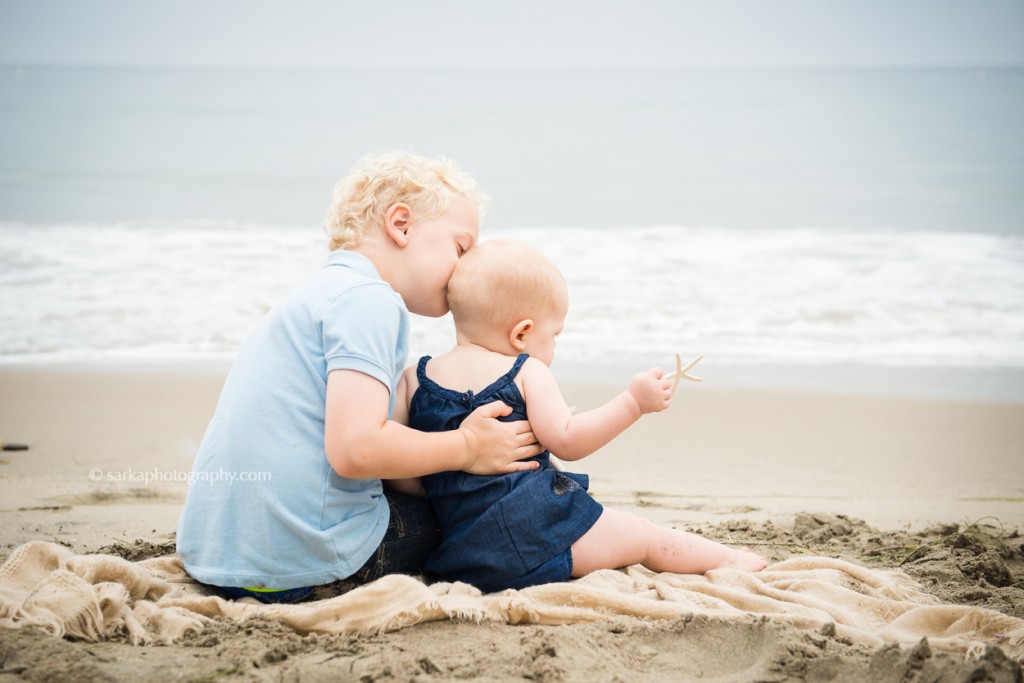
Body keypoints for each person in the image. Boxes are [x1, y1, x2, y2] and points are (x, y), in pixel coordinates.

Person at [176, 152, 543, 604]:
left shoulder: (316, 294)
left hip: (221, 557)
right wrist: (469, 448)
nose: (464, 268)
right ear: (402, 225)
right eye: (461, 248)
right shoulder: (370, 301)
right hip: (300, 563)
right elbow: (357, 449)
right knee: (472, 513)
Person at [387, 240, 767, 593]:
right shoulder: (526, 371)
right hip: (542, 530)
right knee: (645, 538)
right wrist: (633, 403)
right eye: (555, 335)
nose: (553, 346)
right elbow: (569, 441)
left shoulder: (412, 380)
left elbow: (404, 476)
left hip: (466, 557)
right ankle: (727, 559)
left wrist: (450, 483)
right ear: (522, 334)